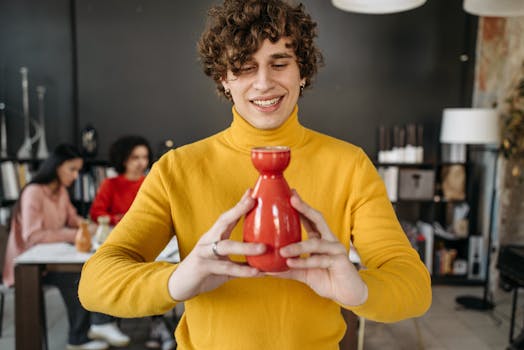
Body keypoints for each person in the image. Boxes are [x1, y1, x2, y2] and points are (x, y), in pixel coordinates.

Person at [79, 1, 432, 349]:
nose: (263, 83)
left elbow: (414, 288)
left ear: (303, 71)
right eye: (244, 67)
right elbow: (95, 284)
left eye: (279, 63)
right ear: (224, 79)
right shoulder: (177, 169)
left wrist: (358, 289)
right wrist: (178, 279)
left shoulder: (350, 165)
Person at [3, 144, 130, 350]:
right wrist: (76, 234)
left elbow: (74, 219)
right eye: (72, 169)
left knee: (97, 266)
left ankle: (101, 323)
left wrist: (95, 227)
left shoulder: (60, 191)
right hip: (28, 263)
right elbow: (33, 235)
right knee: (77, 276)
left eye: (78, 170)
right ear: (56, 167)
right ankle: (80, 337)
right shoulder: (34, 192)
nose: (76, 175)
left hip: (51, 256)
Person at [89, 136, 175, 350]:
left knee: (158, 270)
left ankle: (158, 325)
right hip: (121, 240)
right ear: (123, 159)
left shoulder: (151, 181)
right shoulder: (110, 184)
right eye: (135, 157)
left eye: (144, 157)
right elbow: (97, 212)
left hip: (153, 243)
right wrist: (122, 220)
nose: (141, 162)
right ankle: (151, 324)